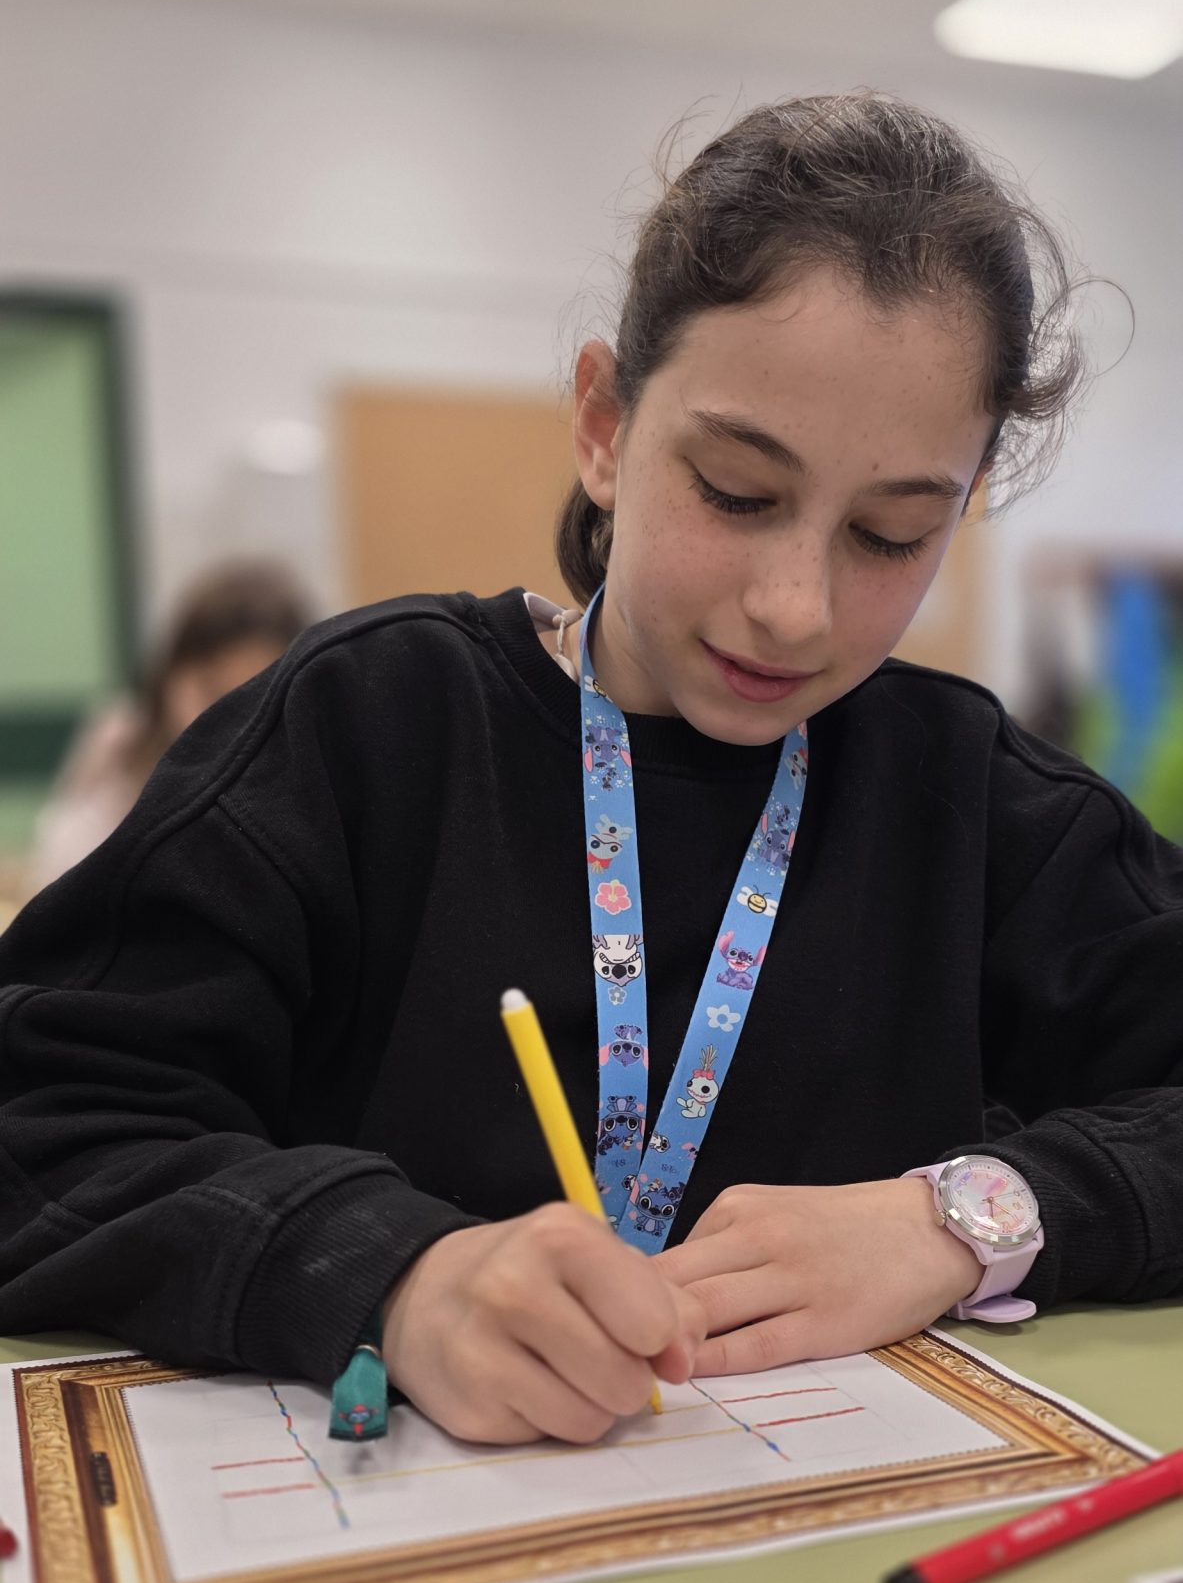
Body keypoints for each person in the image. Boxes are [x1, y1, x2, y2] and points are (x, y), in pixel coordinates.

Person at [0, 94, 1180, 1449]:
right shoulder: (367, 730)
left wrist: (962, 1220)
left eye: (889, 533)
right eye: (735, 491)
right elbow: (44, 1124)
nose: (793, 608)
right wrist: (390, 1270)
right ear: (605, 427)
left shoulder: (981, 809)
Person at [27, 561, 313, 892]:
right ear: (169, 673)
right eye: (212, 690)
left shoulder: (299, 768)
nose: (229, 718)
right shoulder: (123, 743)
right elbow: (56, 876)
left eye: (253, 695)